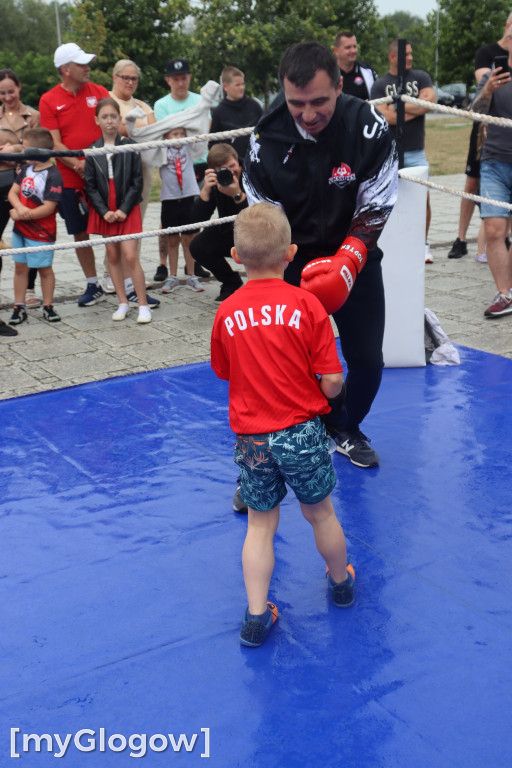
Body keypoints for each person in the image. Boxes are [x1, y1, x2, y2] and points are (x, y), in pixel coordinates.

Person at [243, 42, 398, 470]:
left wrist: (350, 258)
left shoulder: (368, 126)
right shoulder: (265, 138)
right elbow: (264, 216)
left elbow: (378, 201)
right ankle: (273, 450)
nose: (308, 114)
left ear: (340, 86)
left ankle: (346, 427)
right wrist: (275, 271)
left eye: (319, 102)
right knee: (282, 366)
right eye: (297, 103)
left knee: (368, 361)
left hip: (355, 253)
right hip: (291, 259)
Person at [211, 202, 355, 647]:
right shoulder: (308, 305)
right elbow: (332, 381)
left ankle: (256, 615)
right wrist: (327, 394)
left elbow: (224, 370)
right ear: (291, 253)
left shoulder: (227, 311)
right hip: (301, 431)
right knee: (321, 513)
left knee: (259, 525)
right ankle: (340, 581)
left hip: (253, 435)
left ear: (236, 256)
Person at [39, 42, 110, 307]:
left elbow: (110, 127)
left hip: (103, 174)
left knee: (113, 228)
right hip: (70, 179)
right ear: (65, 69)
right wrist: (79, 165)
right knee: (80, 233)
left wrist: (92, 164)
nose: (87, 68)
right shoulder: (48, 99)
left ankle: (123, 282)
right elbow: (54, 142)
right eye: (81, 64)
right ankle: (92, 284)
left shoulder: (99, 91)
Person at [448, 13, 512, 260]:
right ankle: (462, 238)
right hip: (489, 143)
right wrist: (488, 89)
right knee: (473, 183)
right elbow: (477, 106)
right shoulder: (488, 58)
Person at [84, 98, 151, 324]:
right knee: (112, 256)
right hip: (105, 208)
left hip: (127, 206)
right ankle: (122, 302)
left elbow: (137, 181)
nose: (109, 121)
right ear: (97, 120)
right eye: (104, 117)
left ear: (119, 118)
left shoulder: (129, 146)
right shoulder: (92, 150)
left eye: (113, 116)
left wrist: (124, 209)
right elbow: (90, 186)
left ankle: (143, 304)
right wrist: (104, 211)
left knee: (130, 255)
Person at [371, 39, 436, 263]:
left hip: (416, 151)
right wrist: (414, 107)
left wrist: (397, 107)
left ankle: (423, 245)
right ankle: (392, 243)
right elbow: (385, 117)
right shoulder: (380, 85)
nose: (410, 57)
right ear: (392, 57)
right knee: (387, 200)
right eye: (405, 54)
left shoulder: (421, 77)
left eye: (410, 53)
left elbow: (429, 103)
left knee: (423, 200)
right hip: (389, 153)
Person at [107, 59, 161, 310]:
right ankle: (115, 275)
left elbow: (153, 130)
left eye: (134, 78)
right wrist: (137, 127)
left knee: (136, 222)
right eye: (125, 77)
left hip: (141, 169)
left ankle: (132, 272)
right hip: (115, 171)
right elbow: (117, 129)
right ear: (115, 77)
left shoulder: (142, 105)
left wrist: (134, 127)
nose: (129, 82)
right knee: (115, 224)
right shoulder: (107, 100)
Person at [153, 58, 209, 283]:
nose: (180, 82)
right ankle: (164, 264)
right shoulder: (161, 104)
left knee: (195, 218)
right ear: (168, 80)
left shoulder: (199, 100)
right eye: (175, 79)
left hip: (198, 161)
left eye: (184, 78)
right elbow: (162, 131)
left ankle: (193, 264)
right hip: (171, 164)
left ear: (189, 78)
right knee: (168, 222)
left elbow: (205, 126)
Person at [470, 29, 512, 318]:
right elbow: (475, 113)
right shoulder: (494, 74)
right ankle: (504, 294)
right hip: (495, 162)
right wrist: (487, 91)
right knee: (495, 230)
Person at [7, 128, 63, 326]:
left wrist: (25, 214)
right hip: (20, 230)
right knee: (20, 267)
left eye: (25, 147)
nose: (22, 151)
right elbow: (13, 193)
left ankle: (48, 305)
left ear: (37, 151)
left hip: (42, 232)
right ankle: (18, 305)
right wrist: (20, 208)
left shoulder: (53, 174)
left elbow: (49, 207)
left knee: (44, 269)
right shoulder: (25, 169)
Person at [0, 68, 41, 308]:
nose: (7, 97)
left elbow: (38, 148)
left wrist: (14, 150)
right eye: (2, 93)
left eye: (11, 91)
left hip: (28, 183)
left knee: (29, 235)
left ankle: (29, 288)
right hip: (2, 183)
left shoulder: (33, 116)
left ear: (19, 87)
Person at [190, 143, 247, 301]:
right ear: (213, 171)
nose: (230, 172)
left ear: (238, 161)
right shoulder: (217, 180)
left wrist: (237, 194)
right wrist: (205, 191)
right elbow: (196, 221)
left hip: (257, 232)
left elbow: (258, 216)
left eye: (232, 166)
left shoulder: (252, 172)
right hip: (230, 231)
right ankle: (231, 282)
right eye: (223, 169)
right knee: (198, 246)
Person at [159, 126, 203, 293]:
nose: (179, 137)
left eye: (182, 134)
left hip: (188, 198)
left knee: (188, 239)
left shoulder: (189, 147)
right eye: (175, 134)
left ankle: (191, 275)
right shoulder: (161, 150)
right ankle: (172, 276)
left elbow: (198, 128)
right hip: (169, 199)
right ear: (166, 137)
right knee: (172, 240)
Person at [209, 66, 263, 158]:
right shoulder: (219, 112)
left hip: (256, 159)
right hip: (233, 163)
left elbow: (265, 132)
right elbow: (213, 145)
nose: (241, 87)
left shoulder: (255, 106)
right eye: (237, 85)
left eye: (242, 84)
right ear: (225, 86)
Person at [333, 31, 377, 100]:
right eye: (348, 47)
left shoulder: (367, 71)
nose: (353, 51)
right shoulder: (328, 74)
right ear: (336, 51)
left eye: (354, 46)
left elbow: (379, 99)